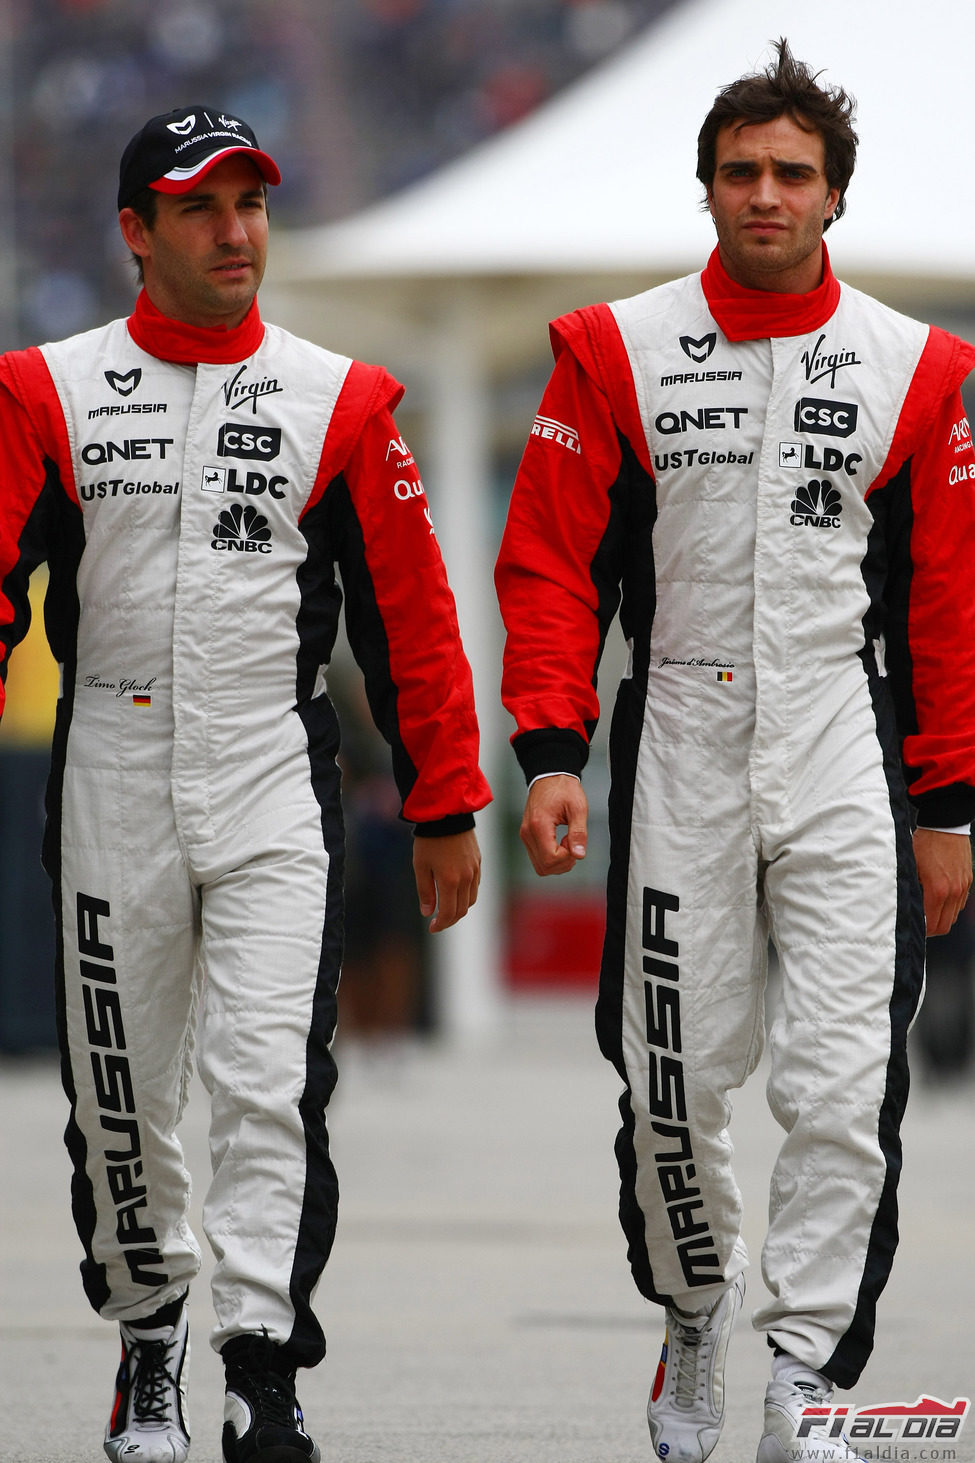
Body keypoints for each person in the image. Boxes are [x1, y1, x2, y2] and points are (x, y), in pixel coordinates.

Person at [495, 39, 975, 1463]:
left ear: (835, 198)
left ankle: (810, 1368)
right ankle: (696, 1313)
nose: (765, 195)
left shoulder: (921, 368)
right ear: (706, 189)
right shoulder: (610, 349)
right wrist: (552, 749)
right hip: (679, 734)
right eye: (741, 173)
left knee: (845, 1081)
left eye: (793, 175)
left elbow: (951, 601)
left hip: (845, 730)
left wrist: (948, 801)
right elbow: (547, 567)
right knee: (670, 1072)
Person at [0, 106, 490, 1463]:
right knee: (122, 1092)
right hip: (107, 763)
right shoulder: (45, 392)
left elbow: (414, 618)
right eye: (203, 208)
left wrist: (447, 803)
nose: (235, 232)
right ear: (135, 234)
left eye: (254, 205)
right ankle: (148, 1341)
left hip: (275, 766)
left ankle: (260, 1375)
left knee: (270, 1082)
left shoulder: (344, 398)